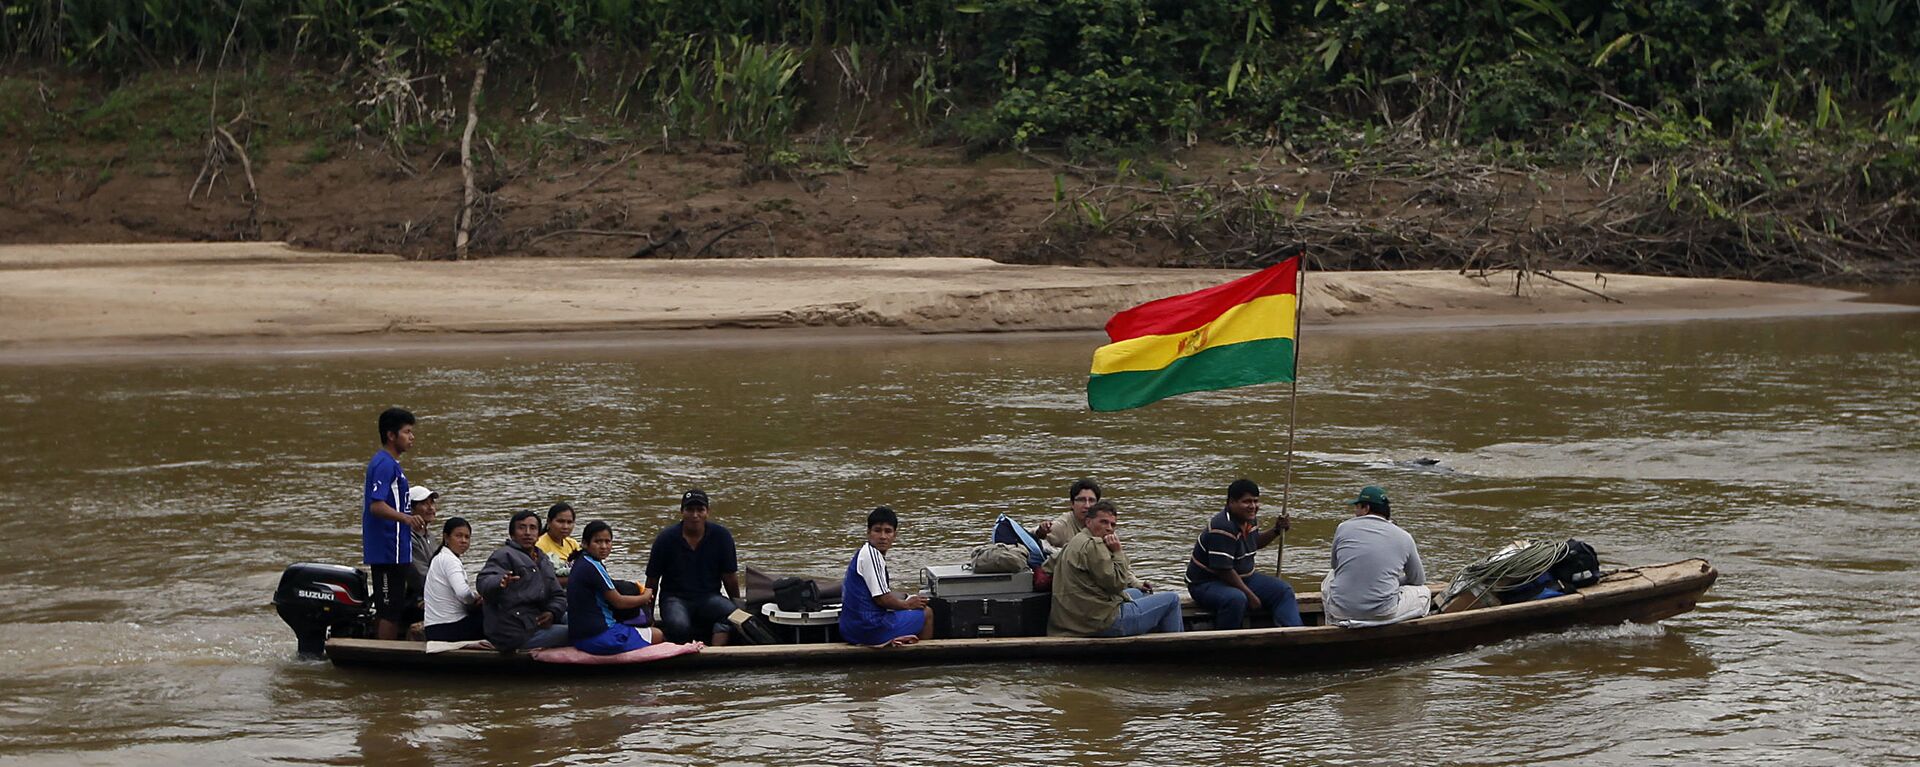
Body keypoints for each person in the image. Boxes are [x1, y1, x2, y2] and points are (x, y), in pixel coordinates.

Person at [1048, 501, 1183, 637]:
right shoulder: (1094, 545)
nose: (1109, 528)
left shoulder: (1074, 541)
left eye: (1112, 524)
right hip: (1101, 622)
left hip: (1076, 617)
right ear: (1088, 522)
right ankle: (1177, 652)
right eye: (1103, 522)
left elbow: (1047, 566)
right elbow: (1117, 584)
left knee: (1139, 593)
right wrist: (1117, 552)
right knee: (1172, 600)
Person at [1185, 478, 1303, 630]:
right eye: (1246, 502)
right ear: (1231, 502)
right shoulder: (1222, 527)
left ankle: (1292, 634)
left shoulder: (1249, 520)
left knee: (1283, 590)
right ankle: (1228, 641)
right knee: (1236, 599)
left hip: (1244, 577)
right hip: (1206, 583)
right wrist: (1250, 595)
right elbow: (1224, 570)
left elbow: (1254, 543)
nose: (1253, 506)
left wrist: (1276, 531)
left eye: (1255, 501)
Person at [1322, 486, 1430, 627]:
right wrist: (1395, 582)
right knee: (1424, 592)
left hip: (1341, 611)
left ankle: (1331, 623)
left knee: (1329, 578)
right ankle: (1384, 624)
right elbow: (1418, 580)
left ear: (1366, 508)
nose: (1355, 512)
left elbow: (1335, 567)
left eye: (1357, 507)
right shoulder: (1404, 537)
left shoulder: (1343, 527)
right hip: (1382, 612)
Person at [645, 489, 741, 646]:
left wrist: (737, 604)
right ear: (682, 512)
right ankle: (682, 652)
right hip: (674, 598)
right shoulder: (666, 539)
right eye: (690, 510)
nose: (695, 515)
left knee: (732, 615)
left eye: (700, 510)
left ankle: (715, 653)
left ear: (707, 512)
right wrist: (648, 616)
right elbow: (652, 580)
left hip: (708, 597)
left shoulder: (721, 536)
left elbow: (729, 577)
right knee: (678, 626)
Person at [361, 407, 423, 641]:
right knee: (390, 610)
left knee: (394, 605)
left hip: (398, 548)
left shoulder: (393, 464)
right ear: (391, 435)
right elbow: (376, 506)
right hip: (387, 549)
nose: (411, 437)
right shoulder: (384, 464)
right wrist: (407, 518)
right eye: (407, 432)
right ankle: (383, 656)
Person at [839, 506, 933, 645]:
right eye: (877, 531)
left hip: (851, 628)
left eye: (888, 531)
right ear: (868, 533)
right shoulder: (872, 555)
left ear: (894, 535)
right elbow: (882, 599)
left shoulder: (863, 553)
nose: (883, 537)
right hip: (869, 629)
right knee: (927, 613)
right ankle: (922, 660)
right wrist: (907, 604)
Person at [568, 521, 667, 654]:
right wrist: (645, 597)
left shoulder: (582, 561)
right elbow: (618, 602)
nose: (603, 546)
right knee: (658, 634)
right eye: (598, 542)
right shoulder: (592, 567)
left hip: (581, 635)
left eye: (607, 542)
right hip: (598, 637)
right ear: (585, 544)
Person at [477, 510, 570, 649]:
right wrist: (499, 582)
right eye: (521, 527)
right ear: (512, 534)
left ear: (539, 534)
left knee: (583, 620)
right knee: (576, 631)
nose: (527, 532)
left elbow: (557, 595)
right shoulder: (504, 555)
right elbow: (484, 580)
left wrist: (551, 612)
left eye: (532, 528)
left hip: (537, 620)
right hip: (515, 631)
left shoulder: (542, 559)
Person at [422, 516, 486, 643]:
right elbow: (463, 594)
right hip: (448, 630)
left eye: (467, 537)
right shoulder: (450, 560)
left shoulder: (440, 557)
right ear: (446, 537)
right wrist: (476, 599)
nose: (463, 541)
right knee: (493, 613)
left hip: (434, 628)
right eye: (459, 536)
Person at [405, 486, 440, 627]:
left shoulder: (430, 536)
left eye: (432, 503)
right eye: (425, 504)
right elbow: (421, 576)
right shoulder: (408, 538)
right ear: (411, 509)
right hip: (415, 600)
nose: (431, 507)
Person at [1033, 478, 1101, 550]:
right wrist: (1041, 532)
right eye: (1081, 500)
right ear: (1072, 504)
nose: (1087, 505)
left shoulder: (1105, 524)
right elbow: (1031, 537)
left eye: (1091, 500)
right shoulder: (1062, 526)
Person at [535, 502, 580, 588]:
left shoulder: (572, 543)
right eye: (560, 521)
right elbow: (541, 580)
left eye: (569, 522)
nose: (565, 526)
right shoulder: (539, 546)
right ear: (549, 522)